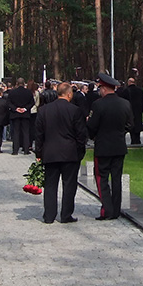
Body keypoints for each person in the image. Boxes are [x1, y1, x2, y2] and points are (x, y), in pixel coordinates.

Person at [34, 81, 88, 224]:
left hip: (50, 152)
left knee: (50, 185)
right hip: (70, 153)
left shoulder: (44, 110)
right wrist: (80, 152)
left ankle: (49, 215)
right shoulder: (75, 110)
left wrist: (38, 153)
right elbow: (81, 135)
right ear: (69, 94)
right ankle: (66, 215)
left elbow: (38, 134)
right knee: (69, 185)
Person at [87, 72, 133, 220]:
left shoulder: (98, 105)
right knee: (116, 179)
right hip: (119, 146)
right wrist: (120, 133)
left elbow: (92, 127)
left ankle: (107, 209)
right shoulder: (125, 104)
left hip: (103, 147)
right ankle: (116, 209)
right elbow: (130, 124)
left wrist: (91, 129)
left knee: (101, 178)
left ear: (104, 88)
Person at [8, 78, 35, 156]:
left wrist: (16, 108)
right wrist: (25, 108)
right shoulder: (28, 92)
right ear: (24, 83)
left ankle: (15, 150)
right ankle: (26, 150)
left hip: (15, 114)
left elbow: (8, 102)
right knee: (26, 132)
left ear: (16, 83)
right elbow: (32, 102)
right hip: (25, 114)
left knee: (16, 132)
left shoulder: (12, 92)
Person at [117, 75, 143, 145]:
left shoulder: (126, 91)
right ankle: (138, 140)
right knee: (137, 126)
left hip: (130, 111)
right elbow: (142, 101)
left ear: (129, 82)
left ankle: (133, 140)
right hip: (138, 111)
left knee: (132, 127)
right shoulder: (140, 91)